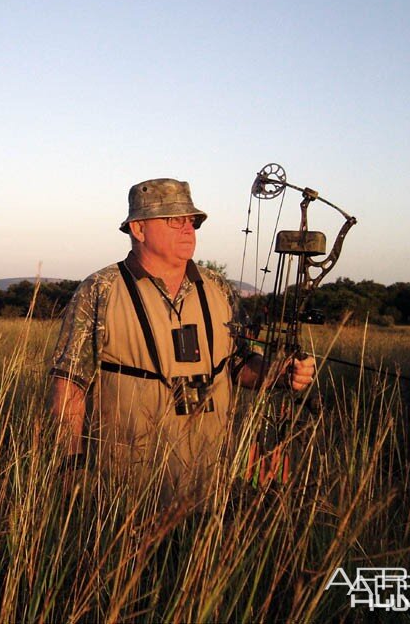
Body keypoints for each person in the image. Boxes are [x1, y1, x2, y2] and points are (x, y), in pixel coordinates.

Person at [49, 177, 315, 508]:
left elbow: (241, 364)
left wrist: (281, 373)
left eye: (191, 221)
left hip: (211, 484)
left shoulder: (217, 286)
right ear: (139, 229)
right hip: (125, 490)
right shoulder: (100, 290)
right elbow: (69, 386)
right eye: (173, 221)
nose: (187, 229)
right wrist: (72, 465)